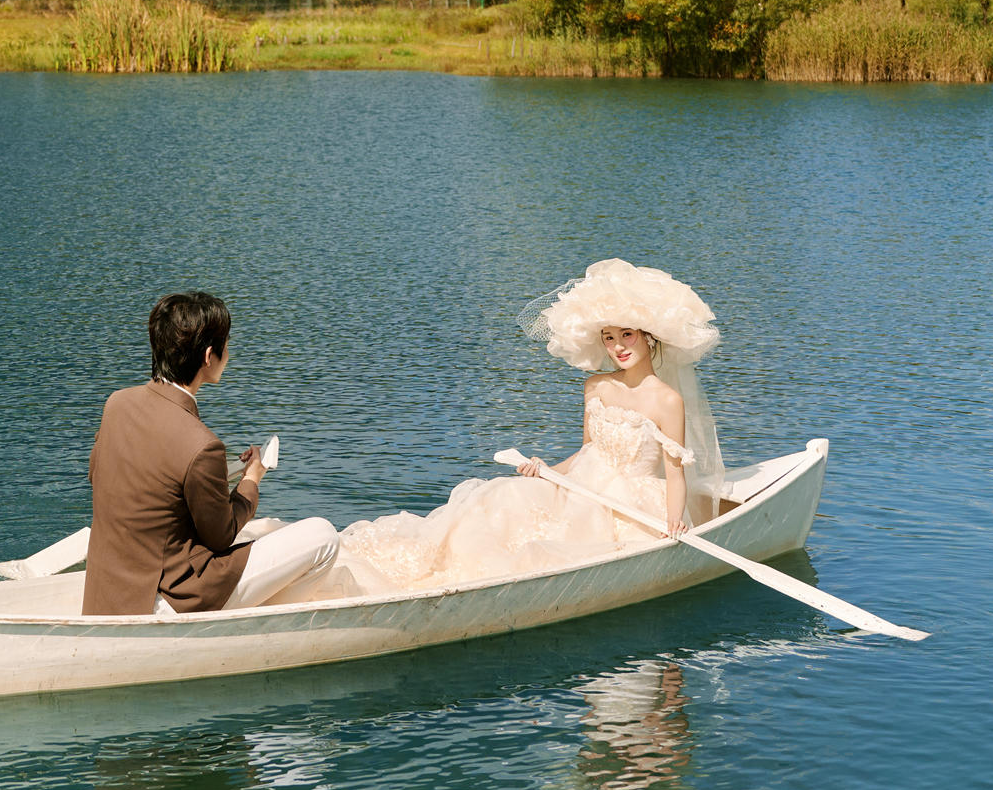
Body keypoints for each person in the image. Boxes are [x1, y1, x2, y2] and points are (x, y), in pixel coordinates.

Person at [331, 260, 726, 596]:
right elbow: (588, 451)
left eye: (627, 334)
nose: (618, 346)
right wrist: (549, 470)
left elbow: (676, 472)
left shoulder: (667, 401)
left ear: (648, 336)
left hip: (635, 504)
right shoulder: (596, 386)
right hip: (583, 485)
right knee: (496, 506)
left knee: (557, 544)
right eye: (609, 337)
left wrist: (675, 522)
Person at [82, 291, 341, 616]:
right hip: (170, 595)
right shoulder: (201, 444)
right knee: (323, 535)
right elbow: (221, 536)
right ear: (209, 356)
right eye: (226, 345)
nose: (228, 353)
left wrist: (219, 473)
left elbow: (110, 476)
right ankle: (266, 627)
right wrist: (251, 480)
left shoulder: (116, 404)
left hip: (112, 589)